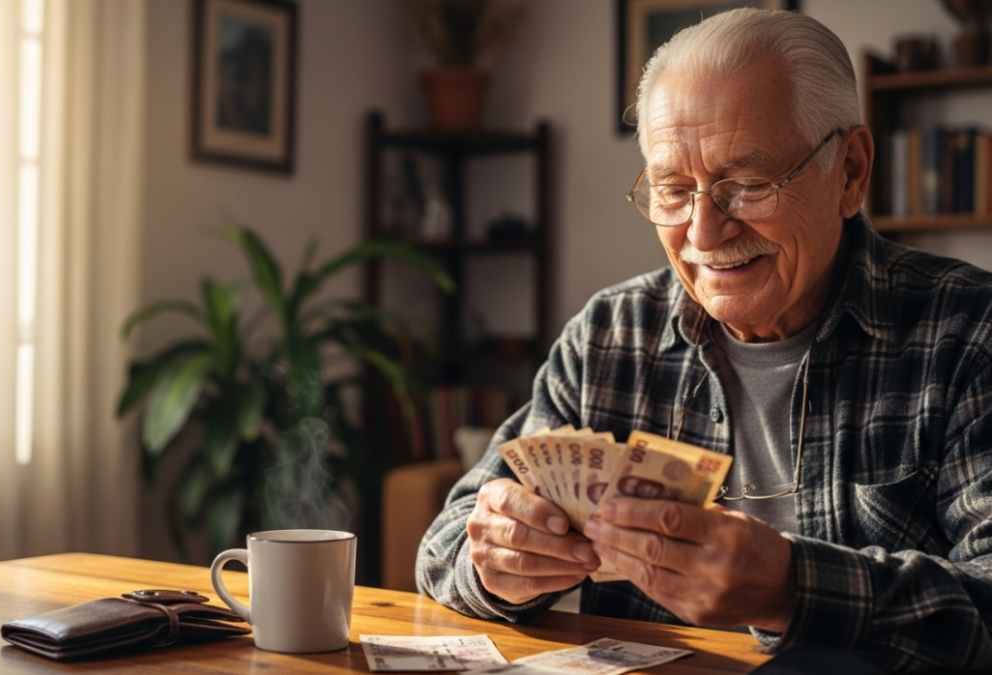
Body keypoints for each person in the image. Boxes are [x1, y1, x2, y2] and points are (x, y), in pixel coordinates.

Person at [415, 8, 992, 672]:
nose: (704, 232)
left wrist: (794, 589)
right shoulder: (610, 336)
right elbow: (444, 549)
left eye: (745, 184)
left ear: (851, 171)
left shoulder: (968, 332)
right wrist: (498, 562)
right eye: (673, 190)